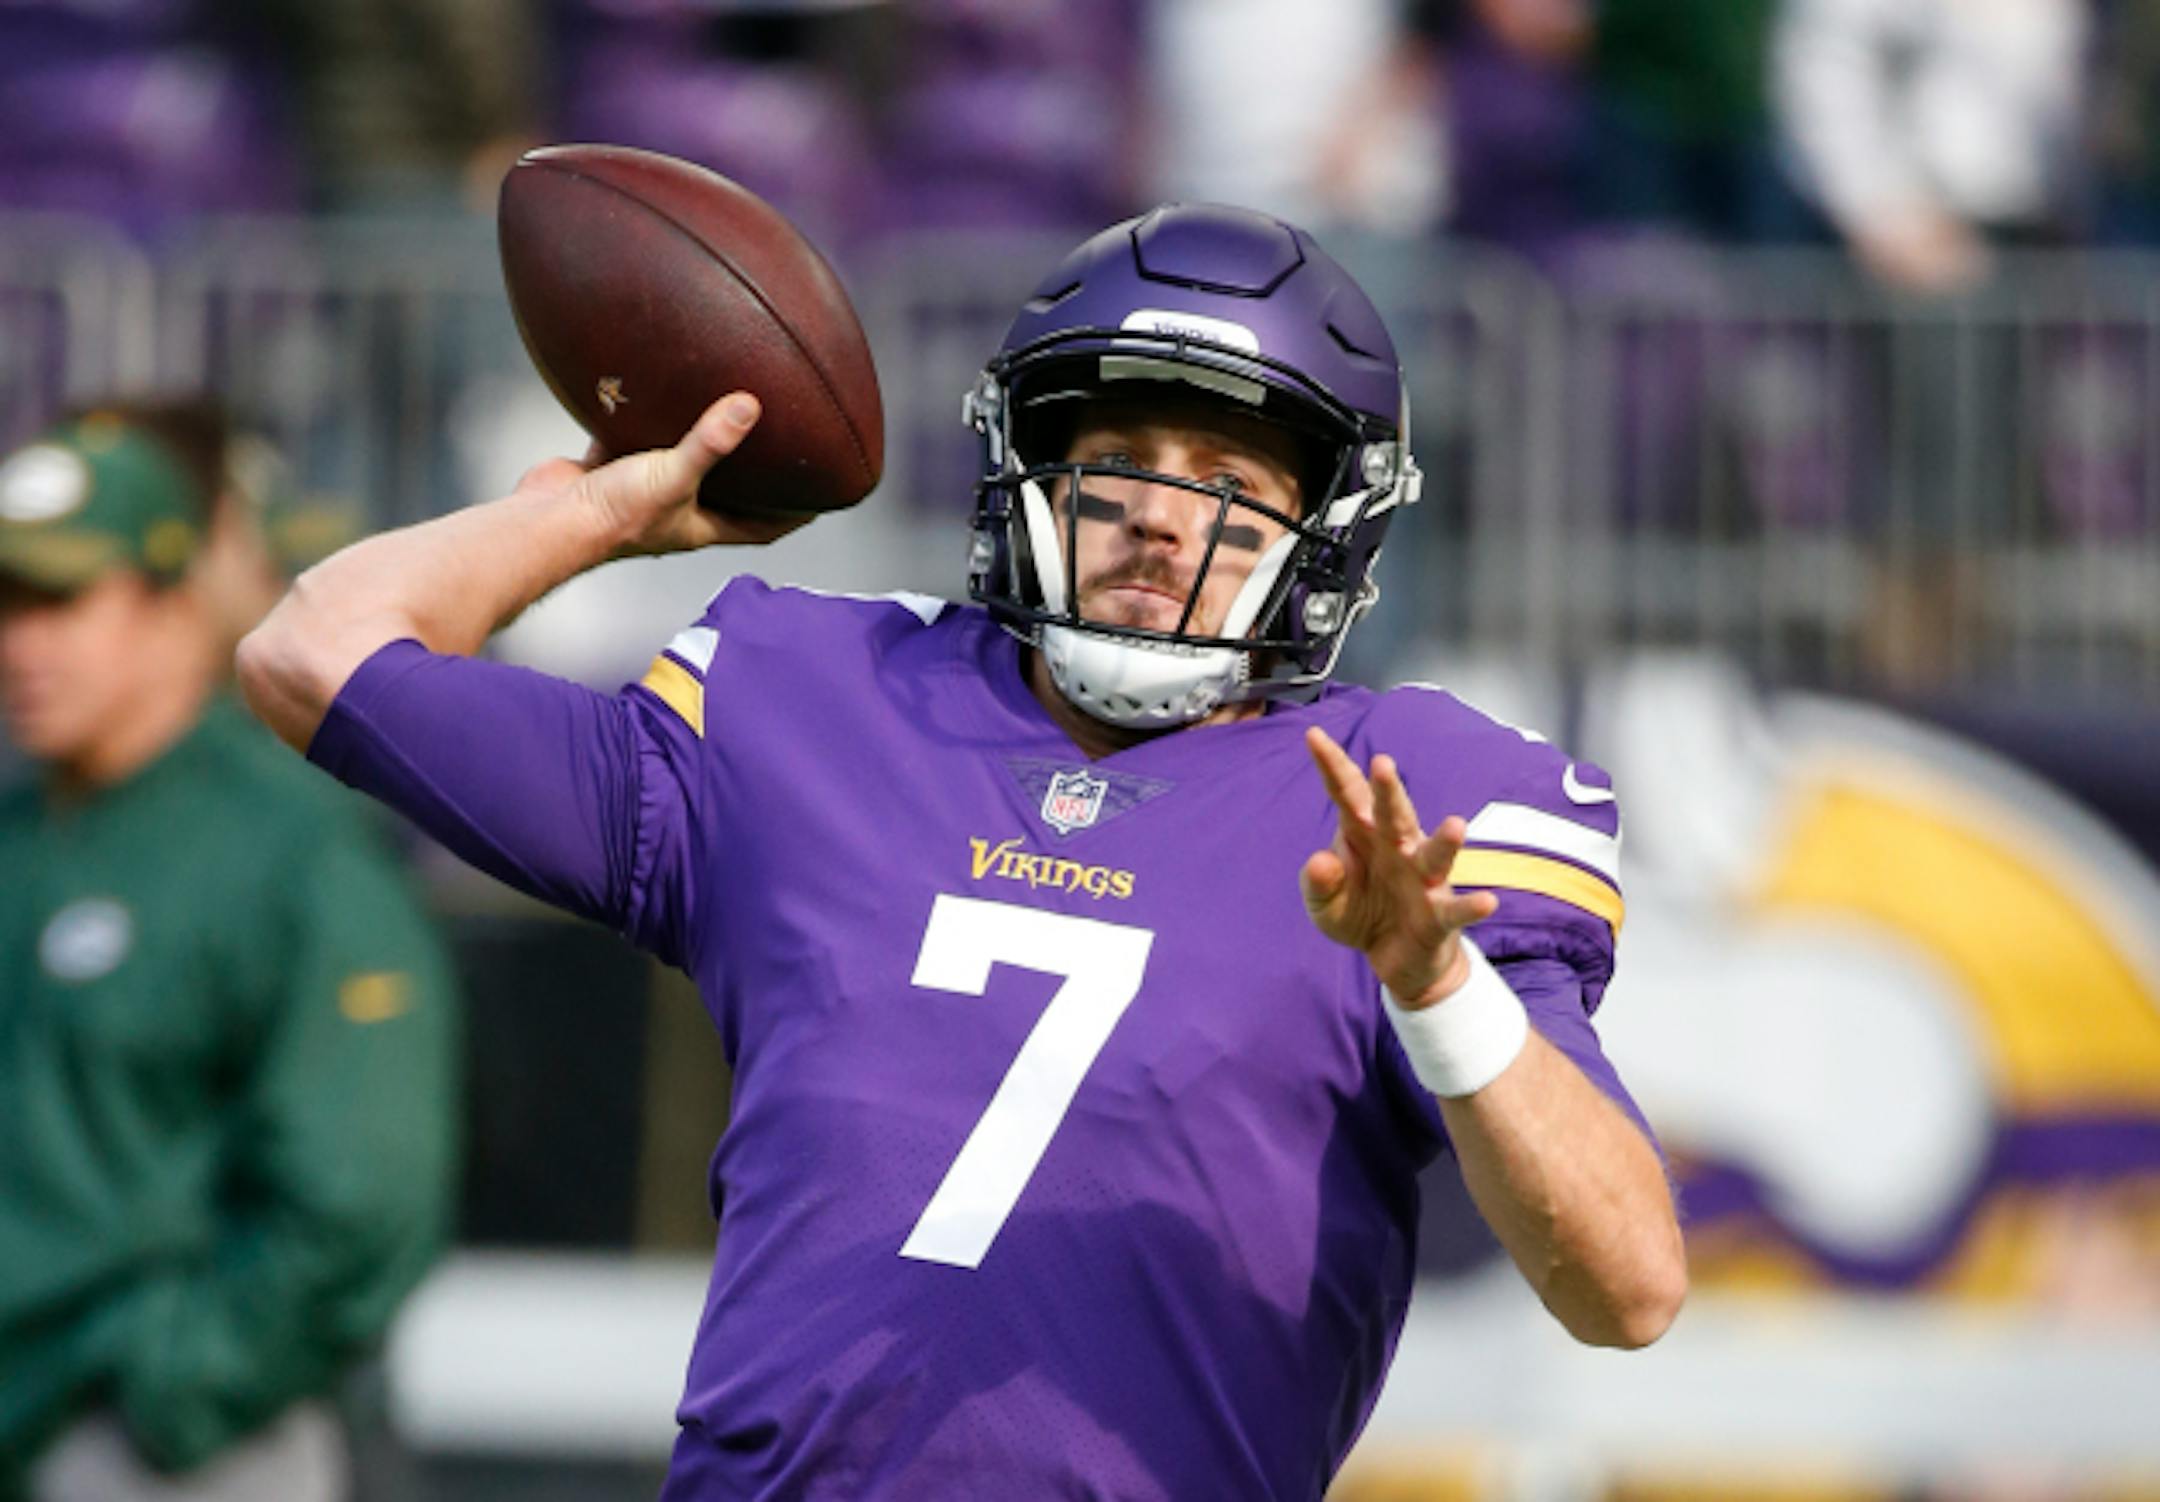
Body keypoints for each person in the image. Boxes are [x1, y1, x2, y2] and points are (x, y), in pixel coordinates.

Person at [237, 204, 1685, 1498]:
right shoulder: (816, 697)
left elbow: (1627, 1284)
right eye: (1115, 463)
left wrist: (1432, 979)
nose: (1162, 522)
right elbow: (310, 652)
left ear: (1331, 526)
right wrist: (591, 516)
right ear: (1024, 471)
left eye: (1226, 478)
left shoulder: (1408, 795)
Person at [0, 403, 460, 1502]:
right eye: (7, 601)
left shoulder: (290, 848)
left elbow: (360, 1192)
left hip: (154, 1447)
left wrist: (174, 1387)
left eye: (62, 598)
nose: (22, 640)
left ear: (171, 603)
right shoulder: (23, 833)